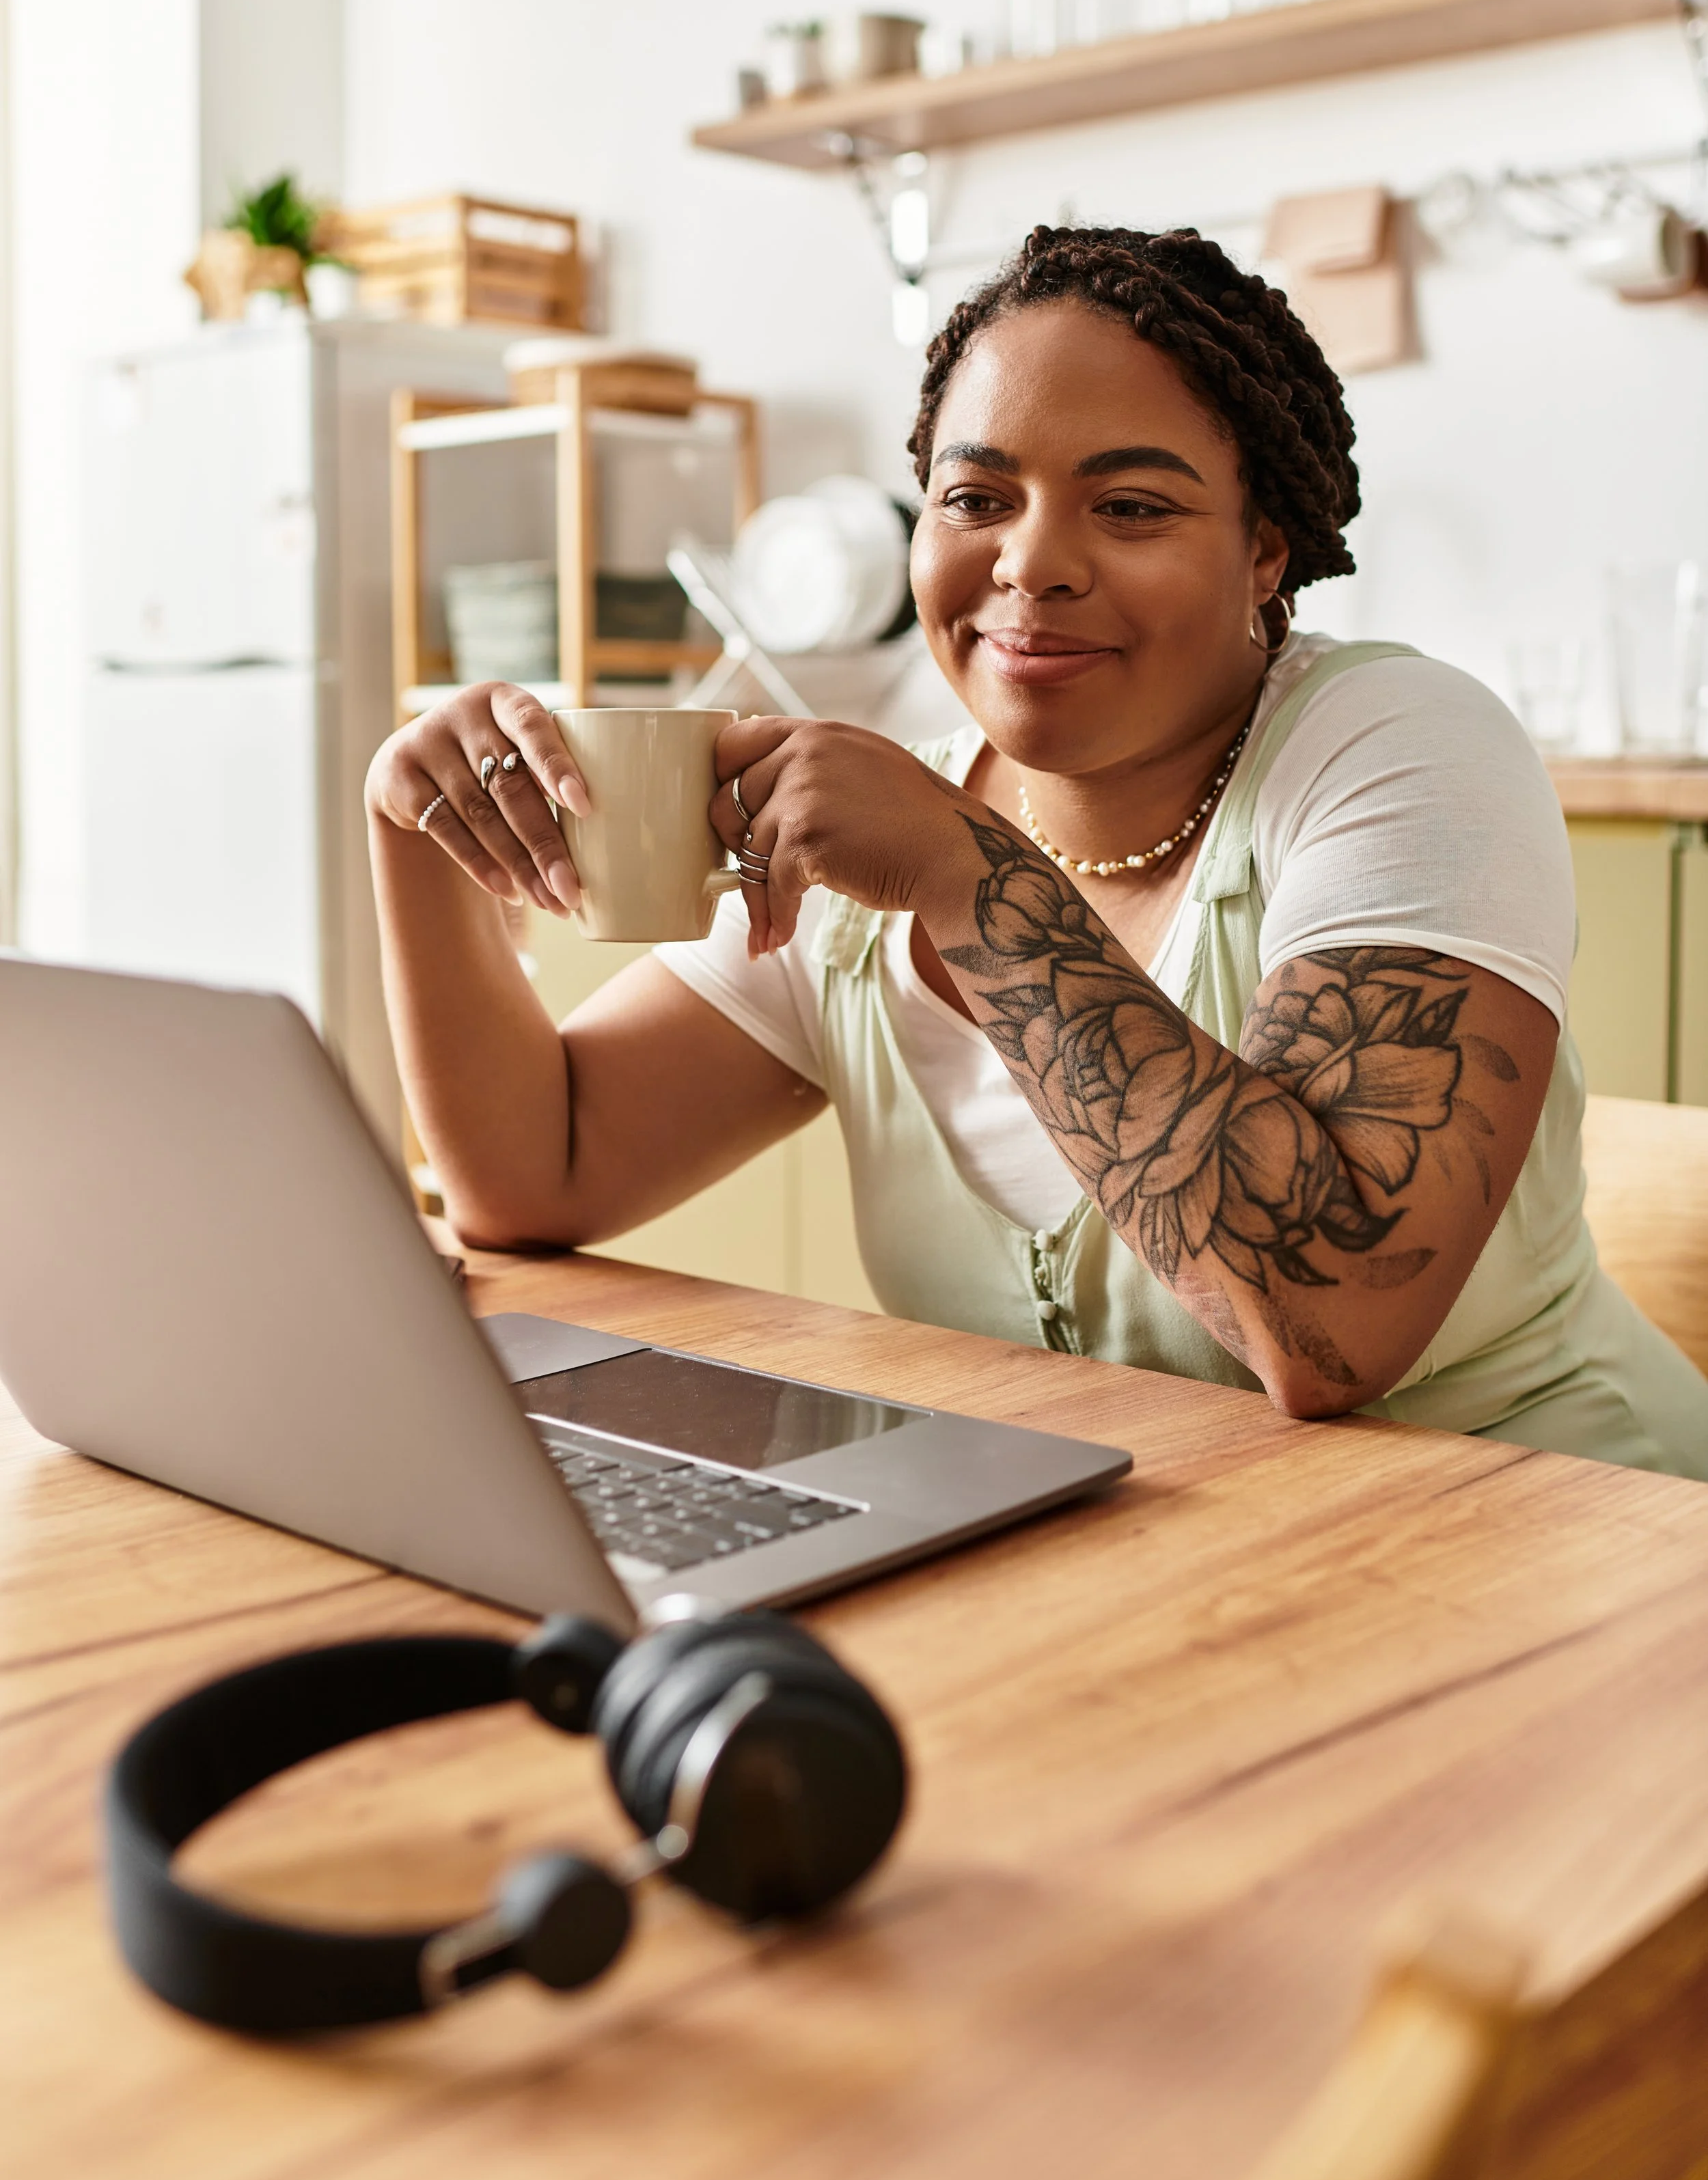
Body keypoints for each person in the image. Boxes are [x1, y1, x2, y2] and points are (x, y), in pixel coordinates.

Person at [366, 224, 1708, 1478]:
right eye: (973, 498)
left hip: (1569, 1553)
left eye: (1128, 507)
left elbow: (1332, 1320)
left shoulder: (1393, 746)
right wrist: (416, 830)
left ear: (1263, 554)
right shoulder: (864, 830)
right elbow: (531, 1174)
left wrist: (970, 878)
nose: (1029, 563)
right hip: (1172, 1587)